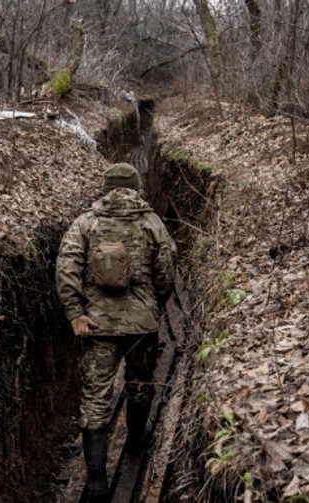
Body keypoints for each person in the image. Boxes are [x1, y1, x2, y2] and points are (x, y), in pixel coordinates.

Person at [56, 163, 177, 502]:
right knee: (139, 384)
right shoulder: (151, 222)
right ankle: (137, 438)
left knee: (95, 399)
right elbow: (166, 272)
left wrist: (76, 314)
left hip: (95, 326)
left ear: (106, 188)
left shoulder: (86, 223)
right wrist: (154, 306)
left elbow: (66, 268)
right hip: (141, 324)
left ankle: (95, 486)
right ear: (136, 187)